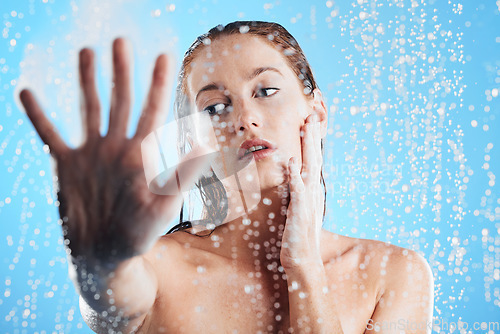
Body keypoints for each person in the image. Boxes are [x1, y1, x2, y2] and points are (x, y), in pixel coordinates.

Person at [20, 21, 433, 334]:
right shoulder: (162, 267)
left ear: (317, 111)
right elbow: (109, 302)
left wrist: (304, 265)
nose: (243, 119)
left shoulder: (392, 273)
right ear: (194, 139)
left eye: (265, 91)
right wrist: (99, 259)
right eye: (215, 107)